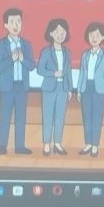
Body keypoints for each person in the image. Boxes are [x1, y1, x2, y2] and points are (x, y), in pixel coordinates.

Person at [0, 7, 36, 155]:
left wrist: (22, 59)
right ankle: (2, 146)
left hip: (22, 86)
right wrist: (11, 59)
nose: (16, 25)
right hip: (7, 87)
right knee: (5, 117)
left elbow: (32, 65)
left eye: (18, 21)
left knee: (21, 118)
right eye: (12, 22)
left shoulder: (26, 44)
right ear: (5, 25)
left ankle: (19, 146)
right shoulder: (0, 45)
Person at [36, 18, 73, 156]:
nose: (60, 35)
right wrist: (53, 73)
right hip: (49, 88)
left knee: (60, 117)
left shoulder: (67, 52)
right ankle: (47, 144)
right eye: (57, 32)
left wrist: (70, 88)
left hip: (63, 88)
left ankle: (57, 143)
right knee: (48, 116)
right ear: (50, 33)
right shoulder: (46, 51)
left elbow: (68, 71)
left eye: (63, 32)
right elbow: (40, 70)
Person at [77, 22, 104, 157]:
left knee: (97, 118)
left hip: (99, 90)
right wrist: (79, 90)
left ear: (102, 37)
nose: (94, 38)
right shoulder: (85, 55)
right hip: (86, 88)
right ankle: (88, 143)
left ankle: (95, 146)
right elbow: (82, 73)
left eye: (97, 35)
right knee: (86, 117)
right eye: (91, 35)